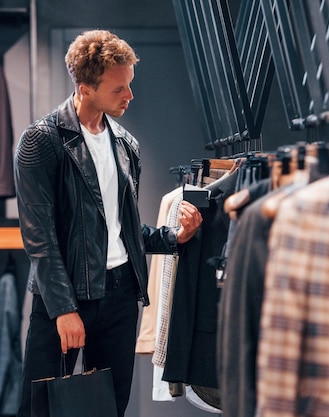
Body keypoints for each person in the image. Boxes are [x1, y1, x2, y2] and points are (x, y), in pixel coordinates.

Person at [14, 29, 203, 417]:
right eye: (119, 89)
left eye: (129, 86)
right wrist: (64, 309)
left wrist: (173, 236)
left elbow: (121, 229)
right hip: (64, 296)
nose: (129, 96)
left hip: (119, 296)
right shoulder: (41, 140)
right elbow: (40, 239)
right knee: (44, 408)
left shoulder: (125, 145)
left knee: (108, 408)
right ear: (85, 88)